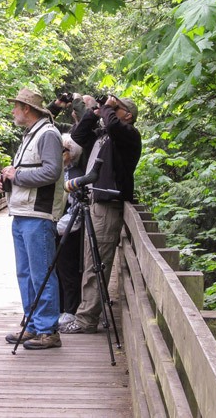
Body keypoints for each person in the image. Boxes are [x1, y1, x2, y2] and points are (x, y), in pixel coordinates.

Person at [61, 95, 142, 334]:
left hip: (108, 204)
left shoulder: (128, 134)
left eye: (118, 108)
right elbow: (78, 137)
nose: (112, 110)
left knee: (97, 263)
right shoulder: (105, 135)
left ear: (128, 115)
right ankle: (86, 314)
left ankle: (87, 320)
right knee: (90, 261)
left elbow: (115, 126)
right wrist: (94, 112)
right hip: (95, 202)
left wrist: (107, 107)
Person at [0, 88, 64, 350]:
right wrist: (8, 176)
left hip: (38, 214)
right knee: (26, 273)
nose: (13, 111)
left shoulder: (48, 134)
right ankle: (33, 325)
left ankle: (48, 330)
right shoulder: (31, 135)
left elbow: (51, 171)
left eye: (15, 106)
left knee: (41, 274)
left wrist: (17, 176)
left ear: (27, 108)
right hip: (22, 212)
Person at [55, 133, 84, 326]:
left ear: (70, 153)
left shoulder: (75, 174)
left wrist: (58, 226)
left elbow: (77, 208)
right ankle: (58, 308)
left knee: (68, 270)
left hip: (69, 230)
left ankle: (70, 310)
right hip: (56, 227)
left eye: (62, 150)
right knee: (56, 270)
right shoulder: (59, 170)